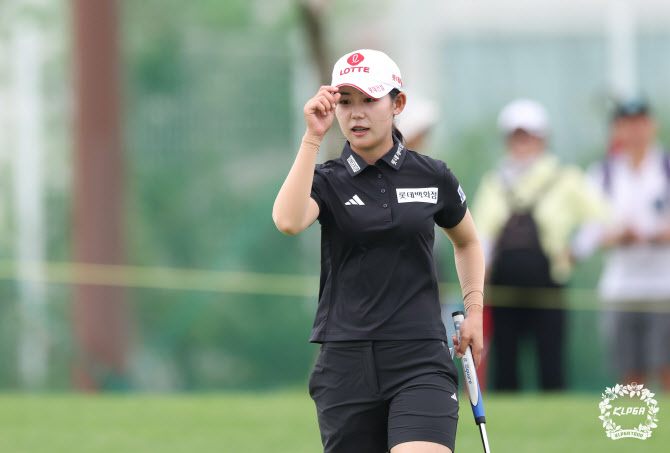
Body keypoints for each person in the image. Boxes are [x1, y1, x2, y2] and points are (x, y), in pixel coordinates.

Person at [272, 49, 485, 453]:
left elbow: (468, 242)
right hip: (345, 364)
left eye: (369, 100)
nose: (356, 113)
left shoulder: (433, 175)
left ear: (397, 103)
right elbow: (288, 220)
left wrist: (474, 310)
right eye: (346, 101)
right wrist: (312, 137)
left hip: (420, 359)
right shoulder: (327, 180)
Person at [471, 99, 608, 392]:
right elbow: (483, 233)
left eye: (528, 135)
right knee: (505, 362)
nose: (522, 142)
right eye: (516, 136)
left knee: (551, 360)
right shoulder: (494, 181)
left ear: (542, 138)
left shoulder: (564, 177)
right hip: (503, 284)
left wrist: (576, 252)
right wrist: (480, 271)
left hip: (549, 282)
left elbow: (599, 219)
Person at [576, 99, 670, 391]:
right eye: (628, 124)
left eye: (641, 122)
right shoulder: (603, 173)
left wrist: (656, 234)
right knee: (631, 376)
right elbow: (589, 234)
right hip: (621, 289)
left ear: (652, 125)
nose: (635, 130)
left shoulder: (665, 168)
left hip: (664, 288)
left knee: (667, 370)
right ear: (617, 129)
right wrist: (619, 236)